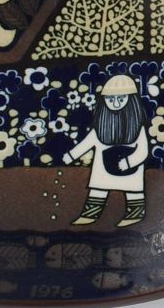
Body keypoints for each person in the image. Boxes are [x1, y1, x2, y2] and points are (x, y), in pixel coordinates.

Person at [64, 74, 150, 227]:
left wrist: (128, 162)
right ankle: (90, 214)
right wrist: (71, 156)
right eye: (110, 99)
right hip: (103, 168)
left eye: (121, 99)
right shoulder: (100, 128)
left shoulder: (137, 128)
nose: (115, 103)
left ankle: (135, 214)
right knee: (98, 189)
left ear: (131, 101)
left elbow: (143, 151)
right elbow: (87, 143)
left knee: (133, 191)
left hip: (130, 169)